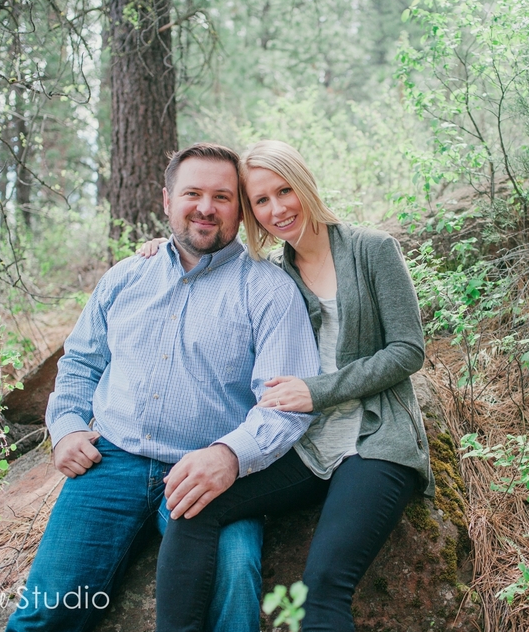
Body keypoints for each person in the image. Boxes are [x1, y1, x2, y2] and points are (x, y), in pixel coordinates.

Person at [6, 142, 320, 632]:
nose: (205, 207)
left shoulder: (269, 290)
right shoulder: (125, 277)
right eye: (192, 193)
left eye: (222, 196)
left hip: (209, 475)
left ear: (239, 209)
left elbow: (284, 406)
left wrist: (230, 456)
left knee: (233, 589)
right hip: (109, 463)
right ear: (167, 200)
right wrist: (66, 428)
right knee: (45, 613)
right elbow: (81, 364)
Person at [145, 140, 435, 632]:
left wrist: (317, 390)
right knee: (191, 507)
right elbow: (202, 268)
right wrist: (159, 250)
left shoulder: (371, 249)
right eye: (260, 200)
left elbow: (408, 350)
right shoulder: (276, 277)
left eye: (284, 191)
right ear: (251, 213)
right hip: (306, 445)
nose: (277, 208)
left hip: (373, 441)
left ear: (305, 186)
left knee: (321, 591)